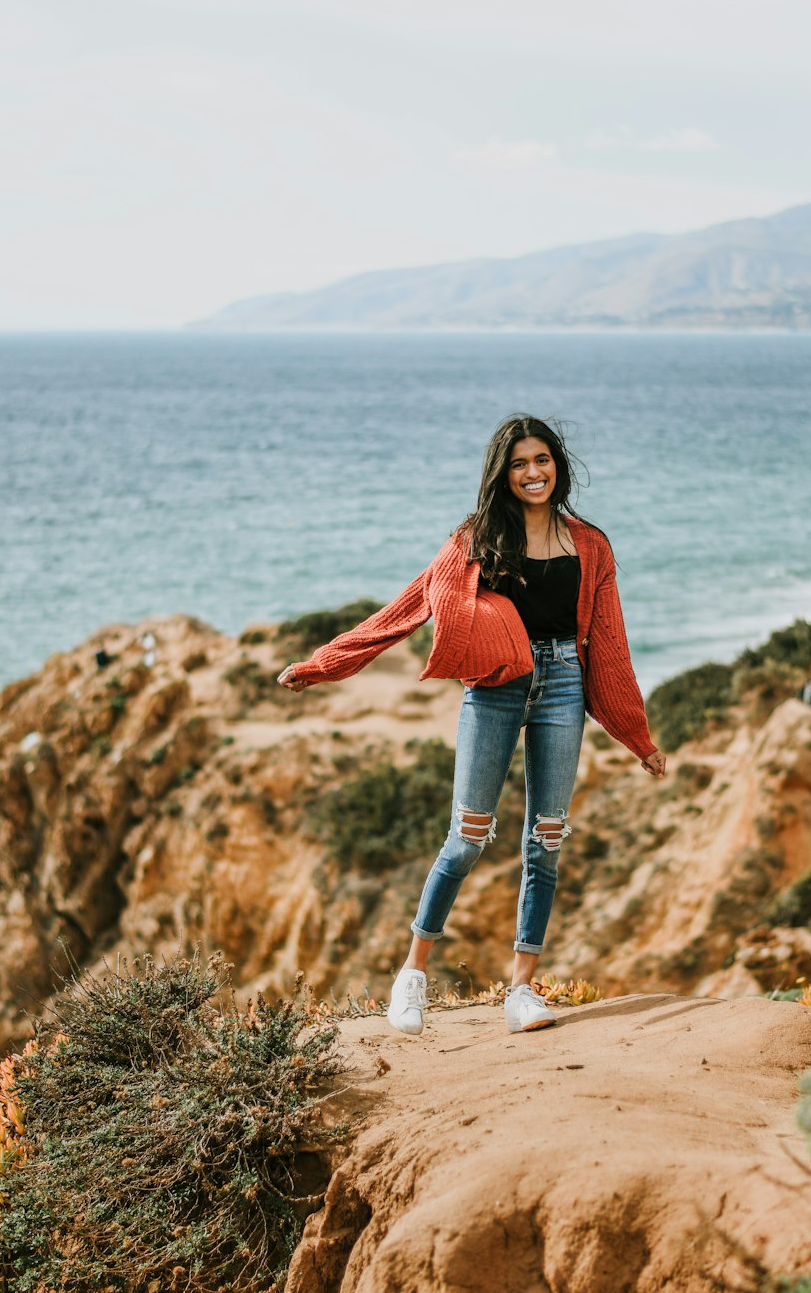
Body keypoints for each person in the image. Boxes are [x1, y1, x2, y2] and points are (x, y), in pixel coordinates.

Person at [277, 415, 667, 1036]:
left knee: (547, 841)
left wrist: (637, 737)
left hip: (564, 684)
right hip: (494, 689)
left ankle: (521, 988)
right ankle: (412, 975)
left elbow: (611, 645)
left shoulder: (590, 545)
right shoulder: (475, 540)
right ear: (502, 473)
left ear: (558, 466)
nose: (533, 472)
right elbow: (406, 609)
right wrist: (324, 664)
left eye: (542, 460)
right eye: (519, 463)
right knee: (468, 836)